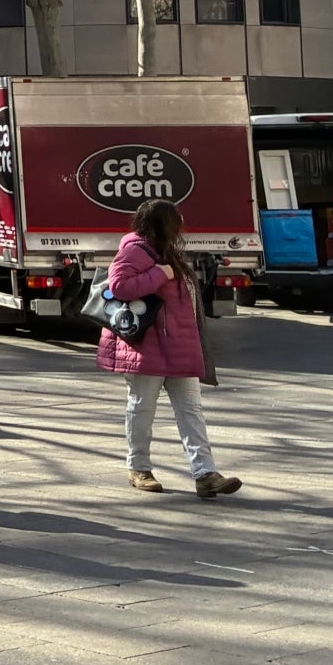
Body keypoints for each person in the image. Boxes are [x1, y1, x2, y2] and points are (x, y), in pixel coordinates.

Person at [101, 198, 240, 498]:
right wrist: (160, 274)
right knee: (142, 408)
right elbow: (119, 286)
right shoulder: (134, 250)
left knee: (191, 410)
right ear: (162, 224)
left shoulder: (167, 252)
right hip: (147, 347)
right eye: (175, 221)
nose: (180, 226)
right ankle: (138, 468)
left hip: (178, 346)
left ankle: (205, 474)